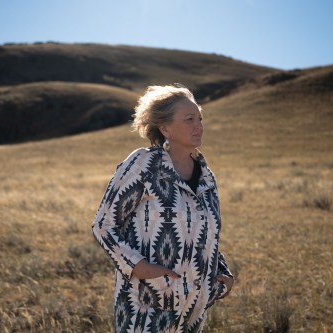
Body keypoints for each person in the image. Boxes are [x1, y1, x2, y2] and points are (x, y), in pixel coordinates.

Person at [92, 84, 234, 333]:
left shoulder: (207, 176)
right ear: (165, 127)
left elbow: (207, 233)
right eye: (189, 119)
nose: (198, 124)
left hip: (195, 309)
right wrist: (140, 268)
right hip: (146, 307)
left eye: (200, 118)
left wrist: (222, 274)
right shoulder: (143, 164)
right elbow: (104, 225)